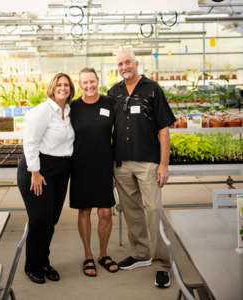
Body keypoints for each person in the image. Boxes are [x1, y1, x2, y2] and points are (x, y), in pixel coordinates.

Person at [107, 49, 176, 288]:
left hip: (148, 162)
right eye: (120, 64)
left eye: (128, 62)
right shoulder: (113, 93)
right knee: (131, 211)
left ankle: (162, 265)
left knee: (154, 210)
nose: (124, 66)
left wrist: (164, 165)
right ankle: (141, 254)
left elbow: (164, 129)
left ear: (136, 63)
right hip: (121, 162)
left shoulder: (152, 89)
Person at [17, 73, 75, 284]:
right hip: (39, 170)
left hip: (60, 170)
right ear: (52, 88)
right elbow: (30, 143)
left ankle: (43, 261)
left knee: (51, 220)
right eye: (59, 84)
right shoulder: (41, 112)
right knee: (40, 220)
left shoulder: (67, 111)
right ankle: (32, 266)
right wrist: (35, 172)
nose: (63, 88)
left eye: (66, 85)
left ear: (71, 89)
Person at [70, 67, 118, 277]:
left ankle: (103, 254)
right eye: (84, 82)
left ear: (98, 81)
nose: (89, 85)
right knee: (85, 211)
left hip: (103, 164)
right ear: (79, 85)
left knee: (106, 212)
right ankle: (88, 255)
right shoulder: (73, 107)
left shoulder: (109, 103)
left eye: (92, 81)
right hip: (80, 164)